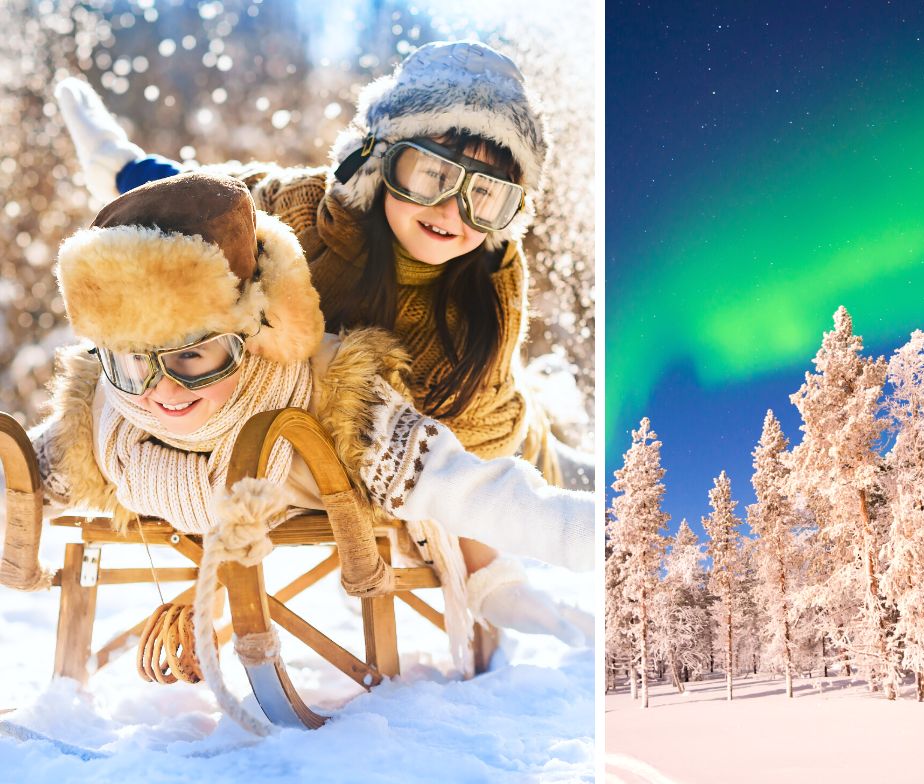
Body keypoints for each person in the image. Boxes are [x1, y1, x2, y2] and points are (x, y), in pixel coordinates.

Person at [15, 173, 593, 679]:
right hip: (208, 503)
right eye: (134, 361)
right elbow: (26, 474)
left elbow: (456, 483)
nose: (161, 390)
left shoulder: (333, 397)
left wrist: (584, 534)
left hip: (475, 430)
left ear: (255, 331)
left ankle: (501, 578)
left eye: (194, 357)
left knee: (493, 492)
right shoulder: (105, 413)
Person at [54, 40, 594, 494]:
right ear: (378, 162)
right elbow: (215, 201)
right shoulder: (308, 215)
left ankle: (571, 460)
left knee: (538, 454)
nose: (452, 210)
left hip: (479, 435)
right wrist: (120, 167)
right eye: (430, 175)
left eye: (486, 196)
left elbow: (484, 432)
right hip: (332, 426)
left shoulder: (492, 282)